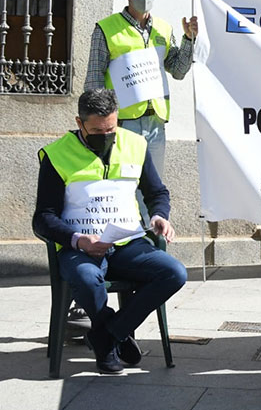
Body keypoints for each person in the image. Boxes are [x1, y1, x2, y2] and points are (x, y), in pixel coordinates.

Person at [32, 89, 187, 375]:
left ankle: (106, 336)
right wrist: (77, 240)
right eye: (96, 130)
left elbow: (157, 192)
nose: (104, 135)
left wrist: (158, 216)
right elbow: (43, 218)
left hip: (128, 242)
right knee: (86, 279)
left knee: (174, 273)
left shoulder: (135, 145)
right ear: (80, 123)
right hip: (81, 246)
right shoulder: (56, 155)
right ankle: (109, 346)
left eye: (111, 129)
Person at [85, 0, 199, 186]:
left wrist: (188, 39)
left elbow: (177, 70)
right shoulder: (106, 28)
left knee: (152, 186)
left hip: (155, 122)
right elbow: (93, 80)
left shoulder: (163, 29)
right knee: (123, 183)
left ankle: (151, 222)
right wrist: (101, 123)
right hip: (122, 122)